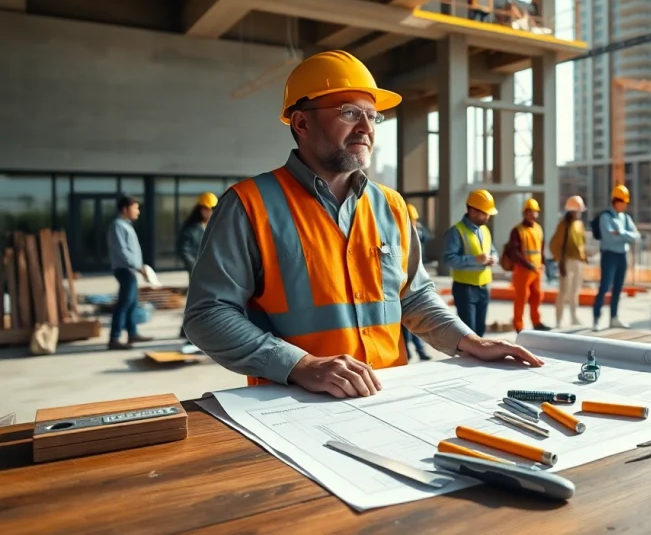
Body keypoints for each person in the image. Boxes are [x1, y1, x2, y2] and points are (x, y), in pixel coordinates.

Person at [183, 50, 542, 399]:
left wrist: (469, 341)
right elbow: (207, 314)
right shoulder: (249, 205)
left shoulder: (392, 205)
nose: (366, 127)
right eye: (350, 112)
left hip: (387, 396)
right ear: (302, 122)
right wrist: (300, 365)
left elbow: (413, 297)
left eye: (373, 116)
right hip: (291, 405)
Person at [443, 189, 499, 338]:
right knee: (469, 334)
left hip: (484, 288)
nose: (488, 217)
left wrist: (494, 258)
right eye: (485, 213)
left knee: (480, 332)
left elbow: (493, 250)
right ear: (473, 211)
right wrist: (474, 259)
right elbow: (448, 259)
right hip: (465, 290)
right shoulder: (456, 231)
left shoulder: (485, 230)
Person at [106, 195, 153, 349]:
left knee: (132, 303)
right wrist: (137, 266)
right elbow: (122, 251)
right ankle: (114, 338)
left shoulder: (125, 225)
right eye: (135, 208)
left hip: (130, 269)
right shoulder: (118, 226)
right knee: (124, 304)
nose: (138, 212)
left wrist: (139, 266)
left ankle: (132, 334)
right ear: (125, 209)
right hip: (125, 269)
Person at [593, 185, 640, 330]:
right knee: (605, 286)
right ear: (616, 201)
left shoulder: (625, 218)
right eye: (623, 202)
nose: (625, 205)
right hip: (609, 255)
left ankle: (614, 317)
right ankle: (597, 318)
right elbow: (609, 237)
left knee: (618, 288)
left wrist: (620, 233)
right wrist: (624, 236)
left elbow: (636, 236)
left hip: (622, 256)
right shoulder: (605, 217)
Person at [176, 192, 218, 340]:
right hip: (197, 270)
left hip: (210, 270)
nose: (211, 212)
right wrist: (193, 267)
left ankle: (188, 330)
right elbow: (183, 249)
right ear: (201, 209)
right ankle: (189, 331)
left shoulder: (212, 226)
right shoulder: (191, 228)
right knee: (198, 301)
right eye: (209, 209)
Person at [505, 198, 551, 333]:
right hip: (522, 270)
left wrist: (543, 263)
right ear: (524, 213)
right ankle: (518, 325)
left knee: (537, 296)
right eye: (530, 212)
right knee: (521, 298)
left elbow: (541, 249)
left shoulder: (538, 229)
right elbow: (514, 252)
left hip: (536, 270)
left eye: (535, 212)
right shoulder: (517, 230)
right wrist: (528, 265)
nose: (533, 214)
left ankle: (536, 322)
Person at [549, 195, 588, 328]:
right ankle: (558, 319)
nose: (578, 213)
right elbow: (555, 244)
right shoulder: (563, 225)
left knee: (575, 291)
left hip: (578, 261)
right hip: (566, 262)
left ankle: (573, 317)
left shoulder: (579, 224)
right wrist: (560, 261)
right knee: (563, 292)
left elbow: (582, 242)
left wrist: (584, 256)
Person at [402, 203, 431, 361]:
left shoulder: (418, 232)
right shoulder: (397, 232)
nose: (413, 222)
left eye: (415, 220)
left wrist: (418, 228)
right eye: (411, 219)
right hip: (403, 281)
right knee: (405, 326)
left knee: (417, 322)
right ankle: (407, 352)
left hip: (417, 274)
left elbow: (428, 237)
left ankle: (420, 352)